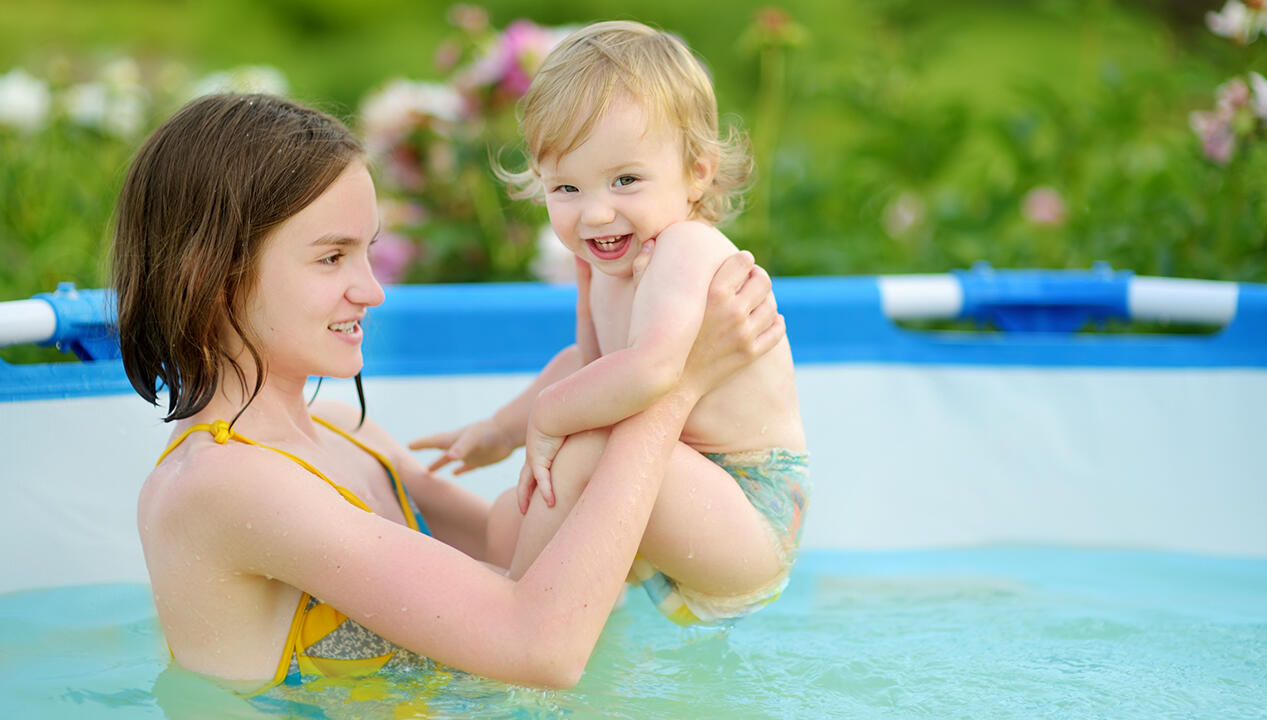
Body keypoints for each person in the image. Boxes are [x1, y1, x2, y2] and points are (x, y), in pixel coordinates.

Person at [113, 92, 783, 693]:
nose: (371, 290)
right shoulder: (221, 484)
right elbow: (540, 647)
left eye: (369, 252)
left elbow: (512, 549)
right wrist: (674, 387)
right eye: (330, 257)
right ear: (213, 274)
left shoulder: (348, 434)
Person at [410, 21, 810, 627]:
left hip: (747, 511)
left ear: (697, 172)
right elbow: (587, 367)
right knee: (508, 518)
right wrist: (501, 430)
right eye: (566, 186)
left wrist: (549, 417)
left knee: (582, 444)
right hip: (659, 483)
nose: (596, 212)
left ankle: (515, 626)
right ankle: (504, 604)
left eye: (625, 180)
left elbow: (650, 370)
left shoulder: (685, 249)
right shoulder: (595, 266)